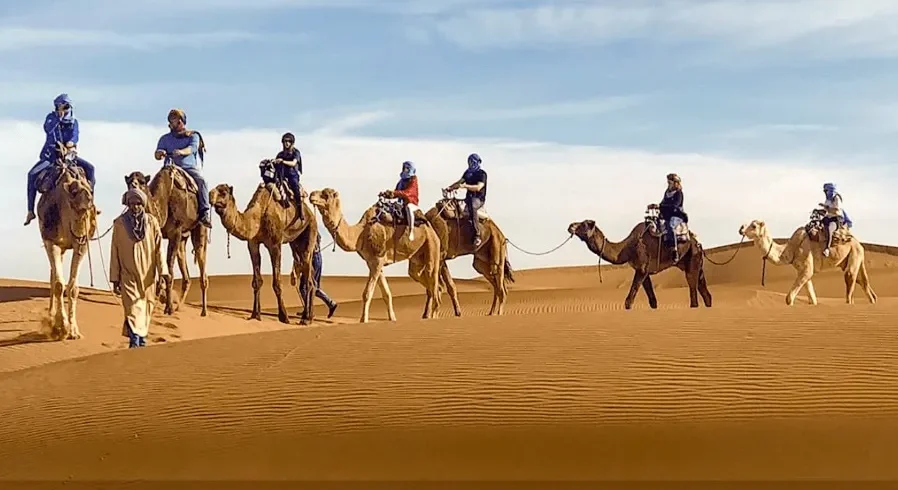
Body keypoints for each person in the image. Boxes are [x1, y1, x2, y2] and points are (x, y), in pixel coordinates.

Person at [25, 93, 97, 226]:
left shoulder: (74, 122)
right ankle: (30, 210)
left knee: (90, 169)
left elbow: (75, 136)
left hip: (68, 156)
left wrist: (70, 144)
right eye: (59, 106)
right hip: (50, 156)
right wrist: (58, 118)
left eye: (65, 106)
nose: (62, 108)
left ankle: (91, 203)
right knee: (31, 174)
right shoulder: (51, 118)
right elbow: (48, 129)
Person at [110, 188, 169, 349]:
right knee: (132, 308)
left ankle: (141, 341)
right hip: (128, 275)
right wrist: (115, 277)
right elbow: (114, 250)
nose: (135, 207)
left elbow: (159, 248)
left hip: (149, 275)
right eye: (132, 204)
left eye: (138, 203)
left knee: (146, 308)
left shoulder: (152, 222)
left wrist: (163, 272)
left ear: (143, 204)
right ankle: (134, 342)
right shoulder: (119, 223)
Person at [154, 108, 212, 228]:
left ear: (182, 121)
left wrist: (181, 152)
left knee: (202, 181)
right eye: (171, 120)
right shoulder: (165, 139)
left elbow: (192, 149)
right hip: (168, 168)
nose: (173, 123)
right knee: (154, 185)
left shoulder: (193, 136)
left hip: (187, 168)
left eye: (175, 120)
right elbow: (157, 154)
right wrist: (160, 153)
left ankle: (204, 212)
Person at [444, 153, 487, 247]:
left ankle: (477, 235)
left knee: (472, 206)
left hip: (478, 198)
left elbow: (478, 187)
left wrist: (464, 186)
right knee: (452, 205)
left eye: (473, 162)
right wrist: (450, 188)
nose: (471, 164)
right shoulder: (467, 173)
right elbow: (459, 182)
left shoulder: (482, 174)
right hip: (468, 198)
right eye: (469, 162)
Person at [299, 233, 339, 319]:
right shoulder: (314, 230)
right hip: (317, 258)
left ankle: (308, 309)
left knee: (305, 287)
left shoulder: (307, 230)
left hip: (313, 259)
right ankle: (330, 304)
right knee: (313, 287)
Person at [381, 160, 419, 240]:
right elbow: (396, 192)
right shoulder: (401, 182)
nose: (405, 170)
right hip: (401, 204)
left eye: (407, 169)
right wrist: (386, 194)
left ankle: (411, 230)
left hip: (412, 203)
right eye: (404, 168)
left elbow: (408, 192)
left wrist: (394, 193)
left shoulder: (413, 181)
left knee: (408, 207)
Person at [656, 173, 687, 263]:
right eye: (668, 182)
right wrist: (657, 206)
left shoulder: (679, 194)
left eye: (670, 182)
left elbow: (675, 206)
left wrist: (661, 206)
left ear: (675, 183)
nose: (668, 184)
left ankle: (674, 250)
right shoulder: (667, 193)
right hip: (667, 215)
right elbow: (662, 203)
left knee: (670, 225)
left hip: (677, 215)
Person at [274, 132, 304, 218]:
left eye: (289, 141)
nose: (287, 143)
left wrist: (282, 161)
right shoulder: (280, 154)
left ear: (292, 143)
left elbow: (294, 163)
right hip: (281, 175)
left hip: (292, 174)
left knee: (295, 187)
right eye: (285, 141)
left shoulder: (296, 152)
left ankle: (300, 209)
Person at [819, 182, 852, 257]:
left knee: (829, 229)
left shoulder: (836, 198)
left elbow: (836, 210)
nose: (825, 192)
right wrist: (820, 210)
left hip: (836, 219)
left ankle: (827, 249)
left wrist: (827, 208)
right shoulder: (827, 200)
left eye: (826, 190)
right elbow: (826, 211)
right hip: (828, 217)